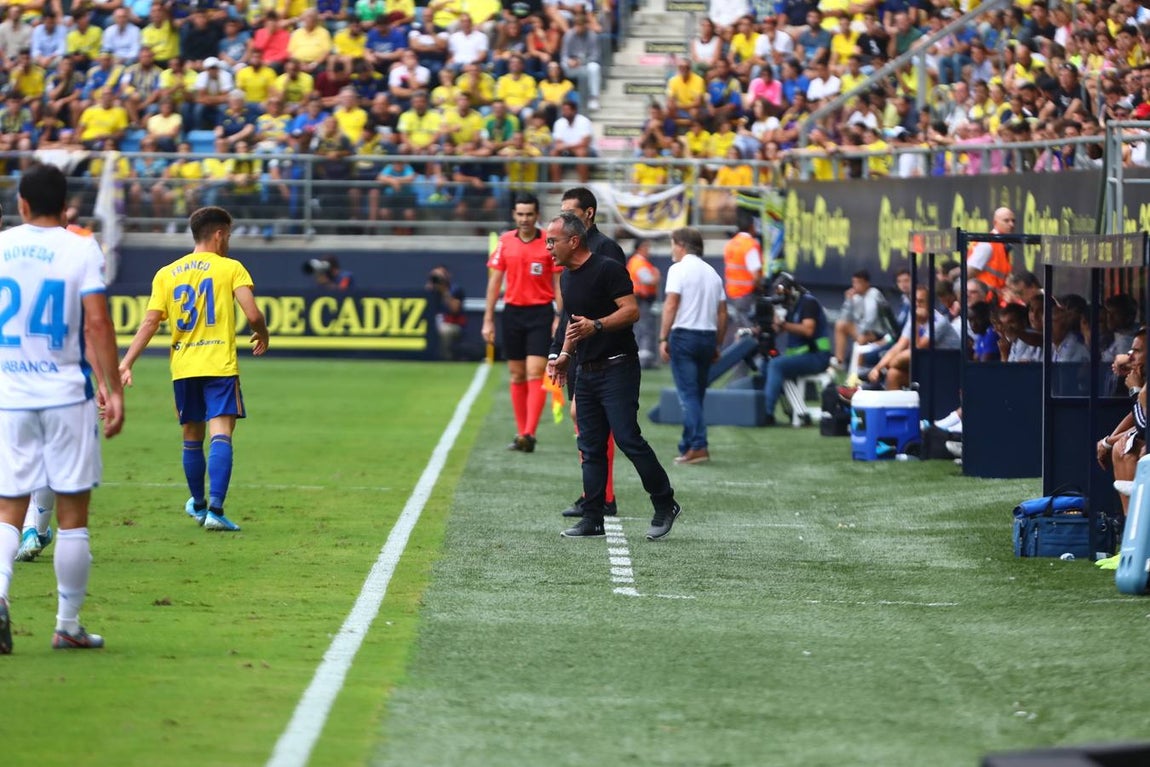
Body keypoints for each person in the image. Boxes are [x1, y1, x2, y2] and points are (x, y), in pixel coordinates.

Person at [0, 162, 126, 652]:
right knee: (73, 513)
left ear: (22, 204)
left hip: (9, 396)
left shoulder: (3, 246)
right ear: (67, 205)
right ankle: (67, 624)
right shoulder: (80, 248)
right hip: (64, 394)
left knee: (9, 507)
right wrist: (112, 388)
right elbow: (96, 324)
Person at [118, 206, 270, 533]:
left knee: (191, 437)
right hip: (219, 364)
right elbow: (253, 313)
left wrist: (127, 362)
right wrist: (263, 332)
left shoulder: (166, 273)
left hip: (184, 367)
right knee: (221, 434)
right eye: (227, 236)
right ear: (218, 235)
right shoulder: (230, 268)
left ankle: (198, 505)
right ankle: (216, 509)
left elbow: (149, 322)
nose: (228, 242)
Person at [545, 212, 681, 540]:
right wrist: (563, 356)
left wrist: (599, 325)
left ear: (573, 241)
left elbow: (631, 311)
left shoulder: (607, 268)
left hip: (618, 366)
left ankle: (665, 503)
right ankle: (593, 517)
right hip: (586, 371)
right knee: (590, 446)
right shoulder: (566, 277)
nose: (548, 247)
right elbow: (571, 324)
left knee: (627, 438)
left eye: (553, 240)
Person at [554, 186, 625, 519]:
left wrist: (598, 331)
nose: (565, 218)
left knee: (592, 420)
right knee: (582, 419)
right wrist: (559, 348)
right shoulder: (568, 253)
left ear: (589, 213)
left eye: (570, 211)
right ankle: (593, 493)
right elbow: (569, 309)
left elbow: (620, 303)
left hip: (602, 349)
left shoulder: (606, 249)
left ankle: (603, 496)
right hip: (577, 347)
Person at [482, 192, 562, 453]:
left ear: (537, 215)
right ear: (514, 215)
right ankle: (521, 433)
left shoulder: (548, 244)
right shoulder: (505, 242)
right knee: (516, 374)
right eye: (520, 214)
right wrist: (488, 319)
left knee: (535, 372)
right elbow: (495, 282)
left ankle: (529, 432)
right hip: (512, 312)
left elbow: (558, 284)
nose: (525, 219)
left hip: (540, 312)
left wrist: (560, 316)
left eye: (529, 214)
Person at [659, 226, 727, 465]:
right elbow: (722, 313)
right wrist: (718, 343)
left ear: (681, 245)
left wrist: (663, 337)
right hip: (707, 337)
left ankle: (698, 445)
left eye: (672, 244)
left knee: (688, 396)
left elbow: (671, 304)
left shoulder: (677, 269)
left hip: (684, 336)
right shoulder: (713, 274)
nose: (671, 249)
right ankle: (688, 444)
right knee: (696, 395)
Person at [762, 272, 833, 425]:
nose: (782, 298)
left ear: (791, 290)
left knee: (776, 365)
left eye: (783, 294)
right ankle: (795, 410)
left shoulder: (808, 302)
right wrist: (771, 320)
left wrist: (784, 324)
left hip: (817, 356)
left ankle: (767, 413)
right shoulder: (792, 306)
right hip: (803, 356)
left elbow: (808, 330)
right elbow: (779, 329)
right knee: (766, 364)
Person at [832, 269, 885, 371]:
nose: (855, 285)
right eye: (854, 282)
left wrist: (861, 333)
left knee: (862, 339)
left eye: (859, 282)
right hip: (863, 331)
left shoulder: (873, 293)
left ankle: (856, 374)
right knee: (840, 325)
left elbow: (870, 319)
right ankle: (839, 362)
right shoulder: (855, 297)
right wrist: (848, 300)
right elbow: (845, 317)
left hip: (878, 333)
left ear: (867, 283)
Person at [722, 211, 762, 343]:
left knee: (742, 328)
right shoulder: (750, 245)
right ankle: (743, 361)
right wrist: (761, 289)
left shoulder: (731, 244)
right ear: (751, 226)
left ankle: (739, 361)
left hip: (734, 293)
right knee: (749, 332)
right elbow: (755, 275)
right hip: (748, 294)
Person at [966, 206, 1015, 304]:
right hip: (983, 303)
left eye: (1013, 221)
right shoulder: (987, 244)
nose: (1011, 224)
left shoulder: (1002, 245)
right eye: (1006, 221)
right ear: (995, 223)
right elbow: (967, 274)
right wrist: (987, 289)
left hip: (994, 302)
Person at [626, 238, 660, 369]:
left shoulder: (638, 262)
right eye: (646, 247)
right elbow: (648, 280)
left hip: (641, 299)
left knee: (642, 328)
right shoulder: (638, 262)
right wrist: (656, 277)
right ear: (640, 248)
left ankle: (643, 357)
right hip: (641, 299)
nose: (648, 250)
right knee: (644, 328)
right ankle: (644, 359)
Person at [427, 264, 467, 361]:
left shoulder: (455, 290)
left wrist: (444, 291)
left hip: (452, 324)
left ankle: (445, 359)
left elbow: (455, 309)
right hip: (433, 322)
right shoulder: (430, 291)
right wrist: (430, 286)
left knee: (445, 330)